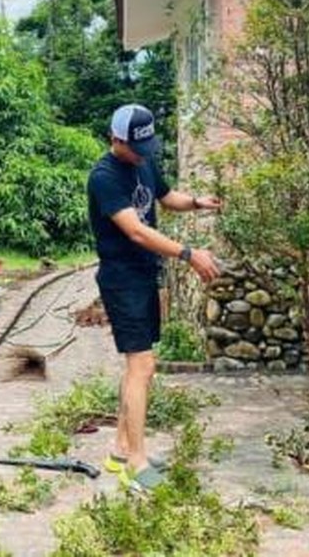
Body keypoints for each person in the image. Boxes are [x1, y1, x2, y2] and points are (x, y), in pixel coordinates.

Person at [86, 103, 221, 492]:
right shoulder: (104, 177)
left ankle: (120, 448)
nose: (143, 154)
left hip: (145, 274)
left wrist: (196, 202)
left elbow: (165, 196)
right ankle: (136, 462)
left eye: (147, 146)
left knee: (140, 367)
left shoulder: (142, 159)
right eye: (135, 147)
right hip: (121, 278)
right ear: (116, 139)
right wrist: (189, 254)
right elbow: (137, 232)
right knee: (141, 366)